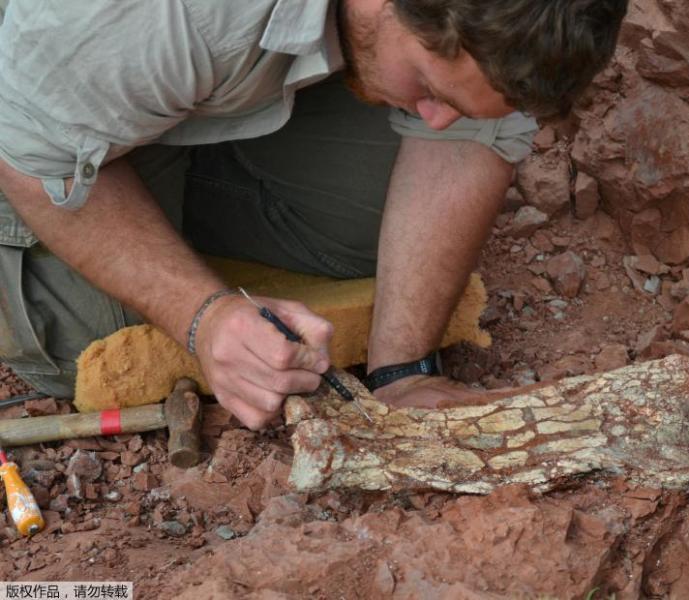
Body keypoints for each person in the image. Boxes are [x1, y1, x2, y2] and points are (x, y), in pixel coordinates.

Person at [0, 0, 628, 429]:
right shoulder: (171, 14)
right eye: (429, 89)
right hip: (28, 100)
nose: (435, 120)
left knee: (390, 236)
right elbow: (29, 155)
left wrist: (402, 374)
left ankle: (153, 138)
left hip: (152, 73)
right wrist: (202, 316)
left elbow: (469, 131)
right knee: (97, 338)